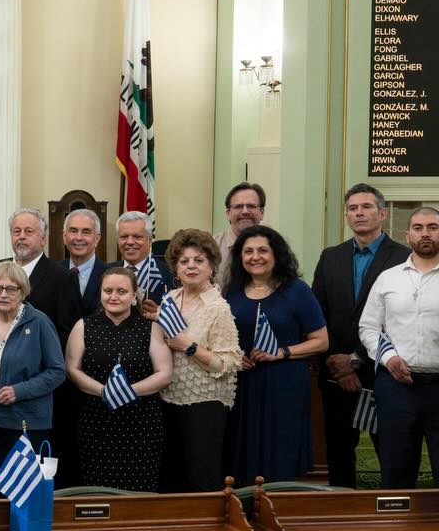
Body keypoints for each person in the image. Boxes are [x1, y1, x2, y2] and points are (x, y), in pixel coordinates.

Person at [0, 209, 83, 485]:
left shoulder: (62, 277)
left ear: (43, 238)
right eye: (17, 231)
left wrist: (26, 368)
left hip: (36, 404)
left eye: (29, 231)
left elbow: (68, 334)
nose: (22, 237)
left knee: (30, 485)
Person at [312, 184, 408, 487]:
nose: (359, 213)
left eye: (366, 207)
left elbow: (402, 322)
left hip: (384, 374)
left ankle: (395, 511)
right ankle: (342, 509)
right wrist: (335, 363)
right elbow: (317, 316)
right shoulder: (330, 257)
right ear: (347, 216)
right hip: (336, 376)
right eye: (352, 208)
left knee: (392, 455)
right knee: (339, 454)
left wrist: (354, 360)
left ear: (382, 213)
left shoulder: (405, 258)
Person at [222, 225, 329, 485]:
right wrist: (236, 357)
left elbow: (322, 341)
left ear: (276, 254)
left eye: (262, 250)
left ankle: (277, 503)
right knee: (242, 451)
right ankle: (244, 504)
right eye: (248, 251)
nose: (255, 257)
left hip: (284, 383)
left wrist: (282, 352)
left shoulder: (296, 290)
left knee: (280, 448)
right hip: (243, 384)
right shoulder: (232, 292)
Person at [66, 266, 172, 490]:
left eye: (122, 291)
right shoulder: (83, 326)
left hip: (142, 424)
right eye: (108, 291)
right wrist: (104, 392)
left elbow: (164, 373)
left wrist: (127, 391)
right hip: (95, 422)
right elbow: (72, 369)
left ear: (134, 296)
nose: (113, 296)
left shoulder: (150, 328)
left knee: (139, 488)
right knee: (97, 491)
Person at [156, 229, 243, 492]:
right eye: (184, 261)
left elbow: (228, 363)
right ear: (176, 267)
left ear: (212, 266)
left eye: (199, 260)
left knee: (200, 477)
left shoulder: (218, 308)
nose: (191, 266)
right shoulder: (170, 299)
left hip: (205, 404)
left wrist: (189, 346)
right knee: (173, 477)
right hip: (168, 398)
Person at [358, 206, 439, 488]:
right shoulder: (388, 278)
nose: (425, 233)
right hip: (397, 386)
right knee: (396, 468)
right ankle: (397, 517)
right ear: (408, 235)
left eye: (433, 227)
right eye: (418, 228)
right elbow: (369, 327)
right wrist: (388, 358)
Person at [0, 261, 67, 480]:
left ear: (22, 292)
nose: (3, 294)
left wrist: (18, 391)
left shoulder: (39, 322)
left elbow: (57, 371)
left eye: (11, 289)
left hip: (28, 424)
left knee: (26, 491)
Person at [115, 211, 176, 307]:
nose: (130, 242)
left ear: (150, 240)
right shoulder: (104, 272)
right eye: (124, 237)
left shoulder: (171, 275)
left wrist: (159, 313)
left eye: (137, 237)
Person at [215, 182, 266, 288]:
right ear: (228, 214)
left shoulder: (275, 248)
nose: (245, 211)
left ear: (261, 212)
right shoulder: (211, 246)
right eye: (238, 206)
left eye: (251, 206)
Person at [62, 209, 110, 316]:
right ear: (64, 237)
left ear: (97, 239)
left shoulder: (110, 275)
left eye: (86, 232)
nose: (79, 238)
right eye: (73, 231)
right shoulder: (52, 272)